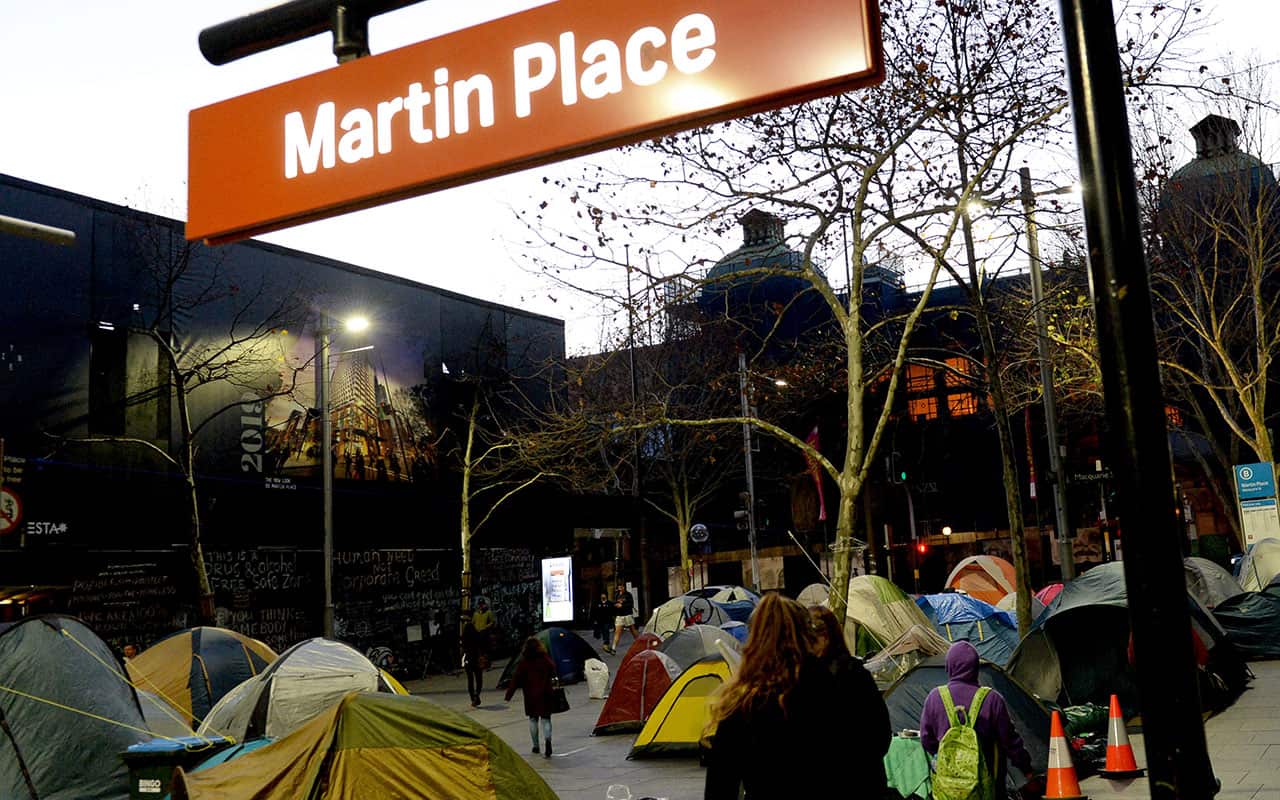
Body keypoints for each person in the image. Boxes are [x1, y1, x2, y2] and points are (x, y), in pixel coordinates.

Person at [704, 593, 864, 799]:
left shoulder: (742, 701)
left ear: (753, 640)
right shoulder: (829, 685)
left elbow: (720, 785)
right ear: (806, 636)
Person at [919, 641, 1034, 794]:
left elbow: (926, 740)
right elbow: (1010, 741)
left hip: (949, 787)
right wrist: (1026, 768)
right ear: (976, 668)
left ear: (948, 667)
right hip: (989, 786)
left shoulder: (934, 697)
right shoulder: (992, 699)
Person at [809, 605, 891, 796]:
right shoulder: (857, 673)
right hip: (865, 779)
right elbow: (881, 733)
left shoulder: (818, 678)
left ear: (825, 638)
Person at [504, 636, 558, 758]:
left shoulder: (524, 662)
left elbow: (515, 679)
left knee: (533, 720)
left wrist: (509, 695)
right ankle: (548, 741)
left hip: (530, 695)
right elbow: (553, 668)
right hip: (545, 693)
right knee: (546, 719)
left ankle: (535, 746)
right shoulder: (545, 659)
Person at [607, 584, 640, 655]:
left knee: (633, 631)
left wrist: (622, 605)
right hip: (619, 616)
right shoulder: (616, 595)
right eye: (619, 587)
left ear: (624, 587)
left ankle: (640, 646)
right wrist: (615, 605)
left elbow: (631, 605)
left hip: (627, 615)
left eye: (621, 587)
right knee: (617, 632)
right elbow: (614, 603)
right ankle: (613, 648)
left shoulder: (628, 595)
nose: (620, 588)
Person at [461, 620, 484, 707]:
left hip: (468, 660)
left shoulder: (464, 638)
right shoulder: (477, 636)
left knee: (470, 680)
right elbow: (482, 647)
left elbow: (462, 650)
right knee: (479, 679)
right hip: (476, 659)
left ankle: (473, 697)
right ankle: (477, 694)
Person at [472, 598, 495, 669]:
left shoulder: (488, 612)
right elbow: (473, 622)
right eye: (480, 604)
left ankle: (487, 665)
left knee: (486, 650)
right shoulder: (475, 614)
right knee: (480, 650)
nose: (481, 606)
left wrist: (486, 626)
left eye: (482, 604)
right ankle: (481, 664)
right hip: (477, 633)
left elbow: (492, 622)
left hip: (485, 633)